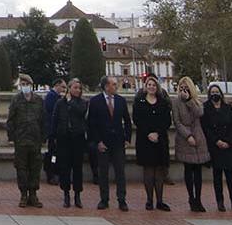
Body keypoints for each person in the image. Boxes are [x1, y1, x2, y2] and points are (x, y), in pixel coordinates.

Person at [87, 75, 130, 211]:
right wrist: (97, 141)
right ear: (106, 86)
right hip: (103, 142)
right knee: (103, 173)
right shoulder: (95, 101)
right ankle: (104, 199)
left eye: (116, 84)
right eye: (113, 84)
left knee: (120, 172)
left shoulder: (121, 101)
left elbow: (127, 121)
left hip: (118, 142)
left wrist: (127, 138)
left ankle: (122, 199)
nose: (116, 86)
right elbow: (91, 124)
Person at [6, 73, 46, 208]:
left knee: (35, 168)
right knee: (21, 168)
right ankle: (23, 194)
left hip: (35, 140)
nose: (25, 87)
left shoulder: (39, 100)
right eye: (22, 85)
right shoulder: (16, 100)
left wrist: (43, 137)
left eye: (27, 84)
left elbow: (43, 120)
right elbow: (10, 120)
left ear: (31, 85)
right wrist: (11, 137)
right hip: (21, 140)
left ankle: (33, 194)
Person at [133, 75, 171, 212]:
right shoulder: (139, 101)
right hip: (145, 140)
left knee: (159, 171)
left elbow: (167, 120)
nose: (151, 87)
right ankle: (149, 200)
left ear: (157, 87)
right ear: (145, 86)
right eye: (149, 85)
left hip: (160, 140)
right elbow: (137, 119)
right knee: (148, 170)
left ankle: (160, 200)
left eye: (154, 85)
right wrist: (148, 133)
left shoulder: (163, 102)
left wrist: (157, 133)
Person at [201, 83, 232, 212]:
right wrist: (216, 141)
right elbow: (205, 127)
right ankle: (220, 201)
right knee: (217, 176)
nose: (215, 94)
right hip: (215, 146)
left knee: (230, 176)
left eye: (216, 92)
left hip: (228, 146)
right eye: (212, 92)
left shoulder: (228, 107)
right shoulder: (206, 108)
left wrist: (228, 141)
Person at [172, 77, 209, 212]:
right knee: (188, 169)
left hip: (198, 137)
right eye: (181, 88)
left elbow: (200, 113)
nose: (183, 90)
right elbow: (177, 121)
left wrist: (189, 101)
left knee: (198, 171)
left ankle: (198, 199)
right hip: (185, 138)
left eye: (186, 88)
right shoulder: (175, 102)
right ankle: (191, 197)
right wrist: (187, 136)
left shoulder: (196, 101)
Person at [52, 78, 88, 208]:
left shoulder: (83, 103)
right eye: (75, 88)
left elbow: (81, 112)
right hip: (64, 139)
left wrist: (70, 102)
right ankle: (66, 194)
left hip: (77, 139)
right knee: (65, 168)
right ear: (69, 88)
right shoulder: (60, 103)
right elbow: (55, 120)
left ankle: (77, 195)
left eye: (79, 88)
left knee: (77, 168)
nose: (77, 90)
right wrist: (54, 136)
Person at [43, 79, 66, 185]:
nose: (64, 89)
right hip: (53, 131)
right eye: (62, 87)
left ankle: (55, 173)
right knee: (53, 154)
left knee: (56, 154)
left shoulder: (55, 96)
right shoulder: (52, 97)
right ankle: (51, 173)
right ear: (57, 86)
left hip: (55, 131)